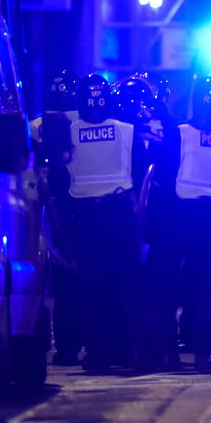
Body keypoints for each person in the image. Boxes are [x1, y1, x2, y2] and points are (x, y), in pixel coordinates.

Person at [145, 74, 211, 372]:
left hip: (176, 218)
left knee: (162, 286)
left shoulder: (179, 134)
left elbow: (160, 179)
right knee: (207, 288)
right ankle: (204, 354)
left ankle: (165, 352)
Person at [67, 74, 150, 373]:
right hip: (120, 216)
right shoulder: (127, 131)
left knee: (92, 289)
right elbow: (142, 178)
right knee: (127, 286)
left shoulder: (69, 132)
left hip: (85, 218)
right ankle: (133, 351)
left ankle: (97, 354)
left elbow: (58, 179)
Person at [31, 69, 82, 365]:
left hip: (44, 206)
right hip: (84, 206)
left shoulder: (37, 124)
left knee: (60, 282)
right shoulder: (88, 123)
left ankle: (66, 347)